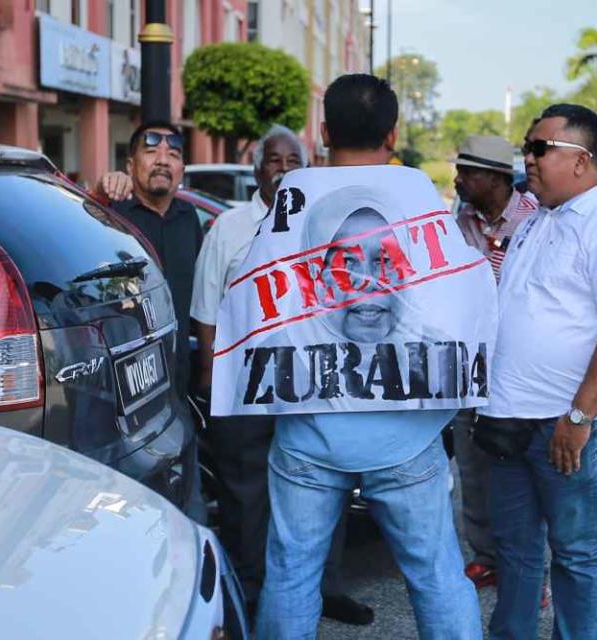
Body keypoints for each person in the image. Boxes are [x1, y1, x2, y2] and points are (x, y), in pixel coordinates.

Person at [256, 74, 482, 640]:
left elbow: (248, 307)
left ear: (324, 131)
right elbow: (461, 300)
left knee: (290, 576)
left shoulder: (289, 201)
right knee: (436, 577)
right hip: (405, 440)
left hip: (307, 435)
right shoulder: (423, 200)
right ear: (393, 132)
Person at [477, 104, 597, 640]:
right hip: (509, 416)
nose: (526, 160)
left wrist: (579, 416)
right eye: (526, 149)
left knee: (576, 553)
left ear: (580, 160)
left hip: (569, 423)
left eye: (538, 148)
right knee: (514, 549)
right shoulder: (537, 219)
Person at [189, 125, 372, 626]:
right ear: (257, 169)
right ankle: (248, 590)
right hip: (246, 385)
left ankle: (327, 588)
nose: (285, 170)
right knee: (246, 495)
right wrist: (210, 377)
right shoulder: (228, 227)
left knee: (325, 486)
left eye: (295, 161)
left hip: (312, 384)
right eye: (275, 160)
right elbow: (207, 309)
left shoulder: (324, 223)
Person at [93, 122, 206, 524]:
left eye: (173, 155)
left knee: (186, 511)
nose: (163, 161)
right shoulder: (108, 213)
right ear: (129, 164)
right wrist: (100, 189)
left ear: (183, 169)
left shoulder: (188, 218)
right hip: (119, 401)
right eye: (151, 151)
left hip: (176, 391)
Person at [449, 134, 537, 590]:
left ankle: (528, 568)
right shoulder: (457, 219)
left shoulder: (535, 218)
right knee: (472, 464)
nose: (458, 180)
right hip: (470, 365)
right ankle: (485, 555)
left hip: (519, 366)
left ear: (498, 178)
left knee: (521, 472)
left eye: (468, 173)